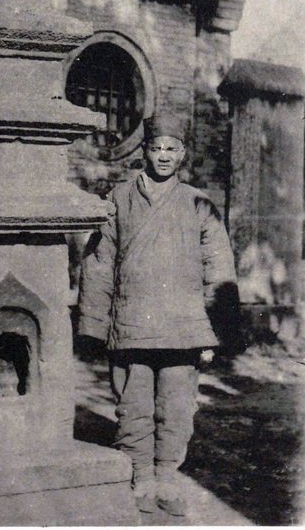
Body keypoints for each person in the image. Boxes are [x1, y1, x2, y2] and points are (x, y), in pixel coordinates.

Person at [78, 113, 241, 516]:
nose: (163, 156)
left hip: (183, 327)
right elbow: (99, 262)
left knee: (177, 406)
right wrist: (96, 326)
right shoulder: (119, 198)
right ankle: (141, 477)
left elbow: (218, 266)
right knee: (132, 405)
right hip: (131, 323)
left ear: (182, 154)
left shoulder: (198, 203)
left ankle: (167, 476)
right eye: (156, 148)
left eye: (171, 149)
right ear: (145, 152)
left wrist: (212, 333)